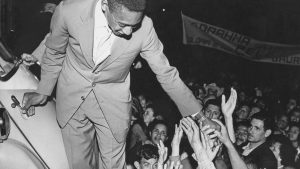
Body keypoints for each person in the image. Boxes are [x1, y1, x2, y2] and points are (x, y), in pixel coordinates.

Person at [21, 0, 206, 168]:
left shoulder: (146, 27)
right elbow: (54, 52)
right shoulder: (69, 10)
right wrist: (43, 90)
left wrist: (201, 117)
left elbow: (167, 74)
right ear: (105, 6)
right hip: (72, 99)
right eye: (123, 24)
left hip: (112, 106)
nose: (128, 32)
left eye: (134, 25)